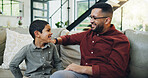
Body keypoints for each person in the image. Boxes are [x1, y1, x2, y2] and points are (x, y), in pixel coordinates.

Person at [50, 2, 130, 78]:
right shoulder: (88, 34)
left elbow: (116, 71)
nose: (91, 21)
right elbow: (69, 38)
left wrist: (82, 68)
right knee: (58, 75)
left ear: (107, 20)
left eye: (95, 18)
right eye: (91, 17)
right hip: (84, 76)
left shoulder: (120, 40)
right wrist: (55, 40)